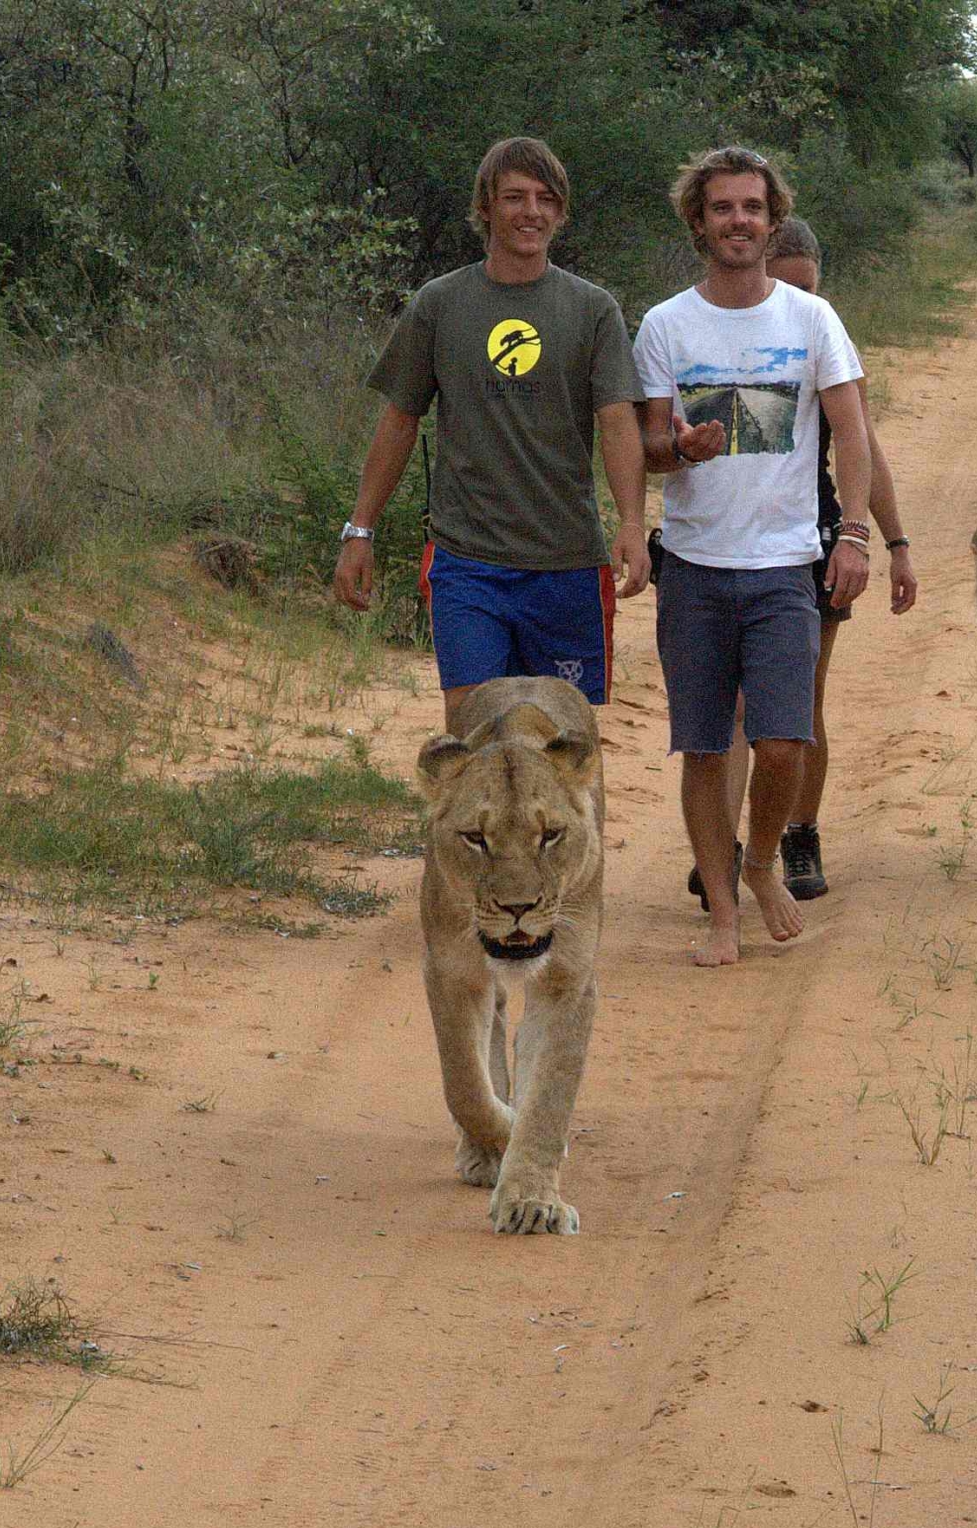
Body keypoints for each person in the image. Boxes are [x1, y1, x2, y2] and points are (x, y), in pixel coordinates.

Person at [637, 147, 872, 967]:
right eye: (722, 208)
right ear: (697, 221)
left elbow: (851, 432)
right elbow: (649, 445)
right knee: (704, 748)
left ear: (773, 220)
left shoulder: (812, 321)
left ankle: (764, 859)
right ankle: (723, 916)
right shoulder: (665, 324)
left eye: (752, 207)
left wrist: (856, 537)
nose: (738, 220)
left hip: (784, 566)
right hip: (695, 566)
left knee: (782, 743)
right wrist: (679, 448)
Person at [334, 136, 647, 732]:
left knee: (561, 742)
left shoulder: (593, 310)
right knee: (473, 728)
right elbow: (400, 421)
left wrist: (631, 522)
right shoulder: (440, 304)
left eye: (545, 199)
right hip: (467, 560)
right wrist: (360, 529)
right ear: (485, 207)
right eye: (514, 197)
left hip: (567, 560)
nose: (531, 212)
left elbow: (616, 423)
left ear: (560, 212)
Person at [685, 215, 917, 908]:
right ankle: (720, 846)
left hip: (809, 529)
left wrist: (892, 540)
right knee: (727, 706)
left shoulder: (821, 327)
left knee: (796, 701)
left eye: (806, 286)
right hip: (723, 534)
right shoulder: (707, 327)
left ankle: (799, 832)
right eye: (782, 285)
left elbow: (862, 442)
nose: (791, 299)